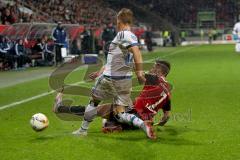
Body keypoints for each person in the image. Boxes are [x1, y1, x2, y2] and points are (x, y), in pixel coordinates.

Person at [54, 8, 155, 139]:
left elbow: (136, 52)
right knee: (121, 114)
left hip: (111, 79)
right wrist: (100, 72)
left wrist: (140, 73)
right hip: (125, 81)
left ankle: (83, 130)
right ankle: (142, 125)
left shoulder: (123, 35)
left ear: (119, 21)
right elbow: (114, 60)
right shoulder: (132, 35)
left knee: (93, 103)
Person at [53, 60, 172, 133]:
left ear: (159, 72)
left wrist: (100, 73)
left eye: (154, 67)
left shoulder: (154, 79)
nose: (151, 69)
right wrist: (158, 124)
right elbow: (166, 117)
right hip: (143, 118)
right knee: (118, 105)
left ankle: (61, 108)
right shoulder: (167, 91)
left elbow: (129, 67)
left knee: (99, 109)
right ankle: (114, 124)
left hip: (133, 114)